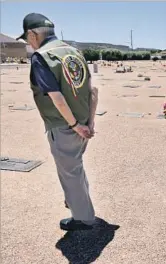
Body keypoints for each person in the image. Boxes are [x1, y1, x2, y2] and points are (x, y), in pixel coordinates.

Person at [16, 13, 98, 231]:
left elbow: (57, 99)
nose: (28, 43)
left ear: (33, 34)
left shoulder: (42, 56)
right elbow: (93, 92)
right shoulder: (74, 52)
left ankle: (84, 219)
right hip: (83, 121)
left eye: (27, 38)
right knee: (75, 169)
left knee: (70, 172)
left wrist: (74, 126)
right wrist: (89, 124)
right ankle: (78, 205)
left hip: (65, 125)